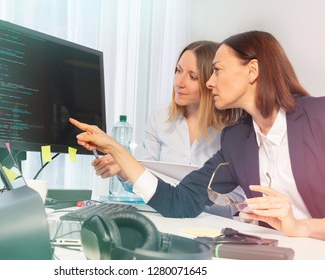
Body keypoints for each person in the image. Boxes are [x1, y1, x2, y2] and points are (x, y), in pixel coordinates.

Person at [69, 30, 325, 240]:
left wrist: (302, 227)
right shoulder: (236, 141)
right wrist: (117, 149)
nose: (209, 82)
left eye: (217, 70)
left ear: (252, 70)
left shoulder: (319, 117)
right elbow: (180, 201)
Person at [93, 41, 245, 218]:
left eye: (192, 77)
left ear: (211, 81)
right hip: (165, 218)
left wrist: (186, 200)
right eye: (178, 71)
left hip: (211, 227)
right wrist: (123, 170)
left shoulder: (232, 130)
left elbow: (236, 201)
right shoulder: (159, 118)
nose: (179, 82)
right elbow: (145, 179)